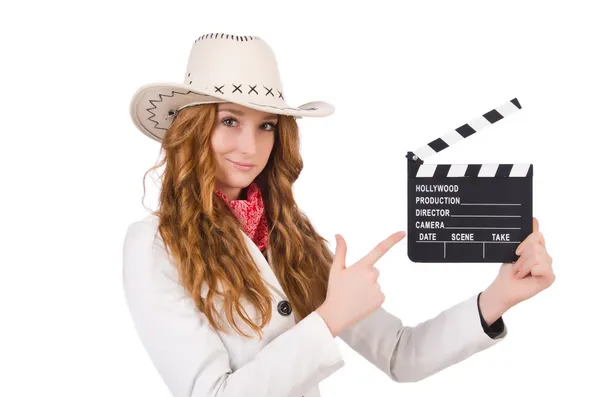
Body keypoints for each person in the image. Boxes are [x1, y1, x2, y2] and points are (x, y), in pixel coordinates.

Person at [122, 32, 555, 397]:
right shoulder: (155, 246)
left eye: (266, 125)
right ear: (194, 128)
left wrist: (498, 297)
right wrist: (329, 318)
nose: (250, 147)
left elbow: (400, 354)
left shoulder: (292, 238)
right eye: (230, 121)